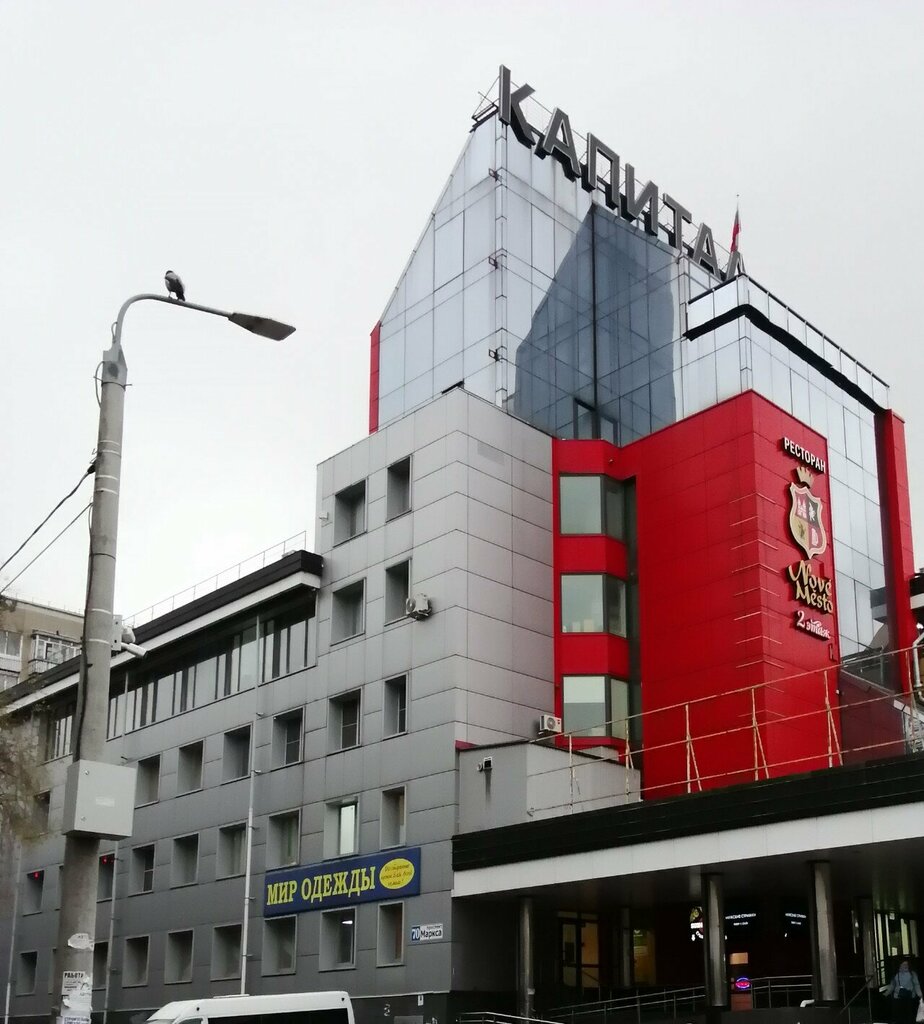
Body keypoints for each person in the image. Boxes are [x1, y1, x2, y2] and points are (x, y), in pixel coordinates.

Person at [888, 959, 922, 1024]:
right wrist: (887, 993)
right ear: (900, 965)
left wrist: (919, 994)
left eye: (907, 964)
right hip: (898, 997)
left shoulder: (912, 973)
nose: (906, 965)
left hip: (909, 997)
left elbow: (916, 984)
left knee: (909, 1015)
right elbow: (892, 984)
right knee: (900, 1016)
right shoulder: (896, 974)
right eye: (903, 964)